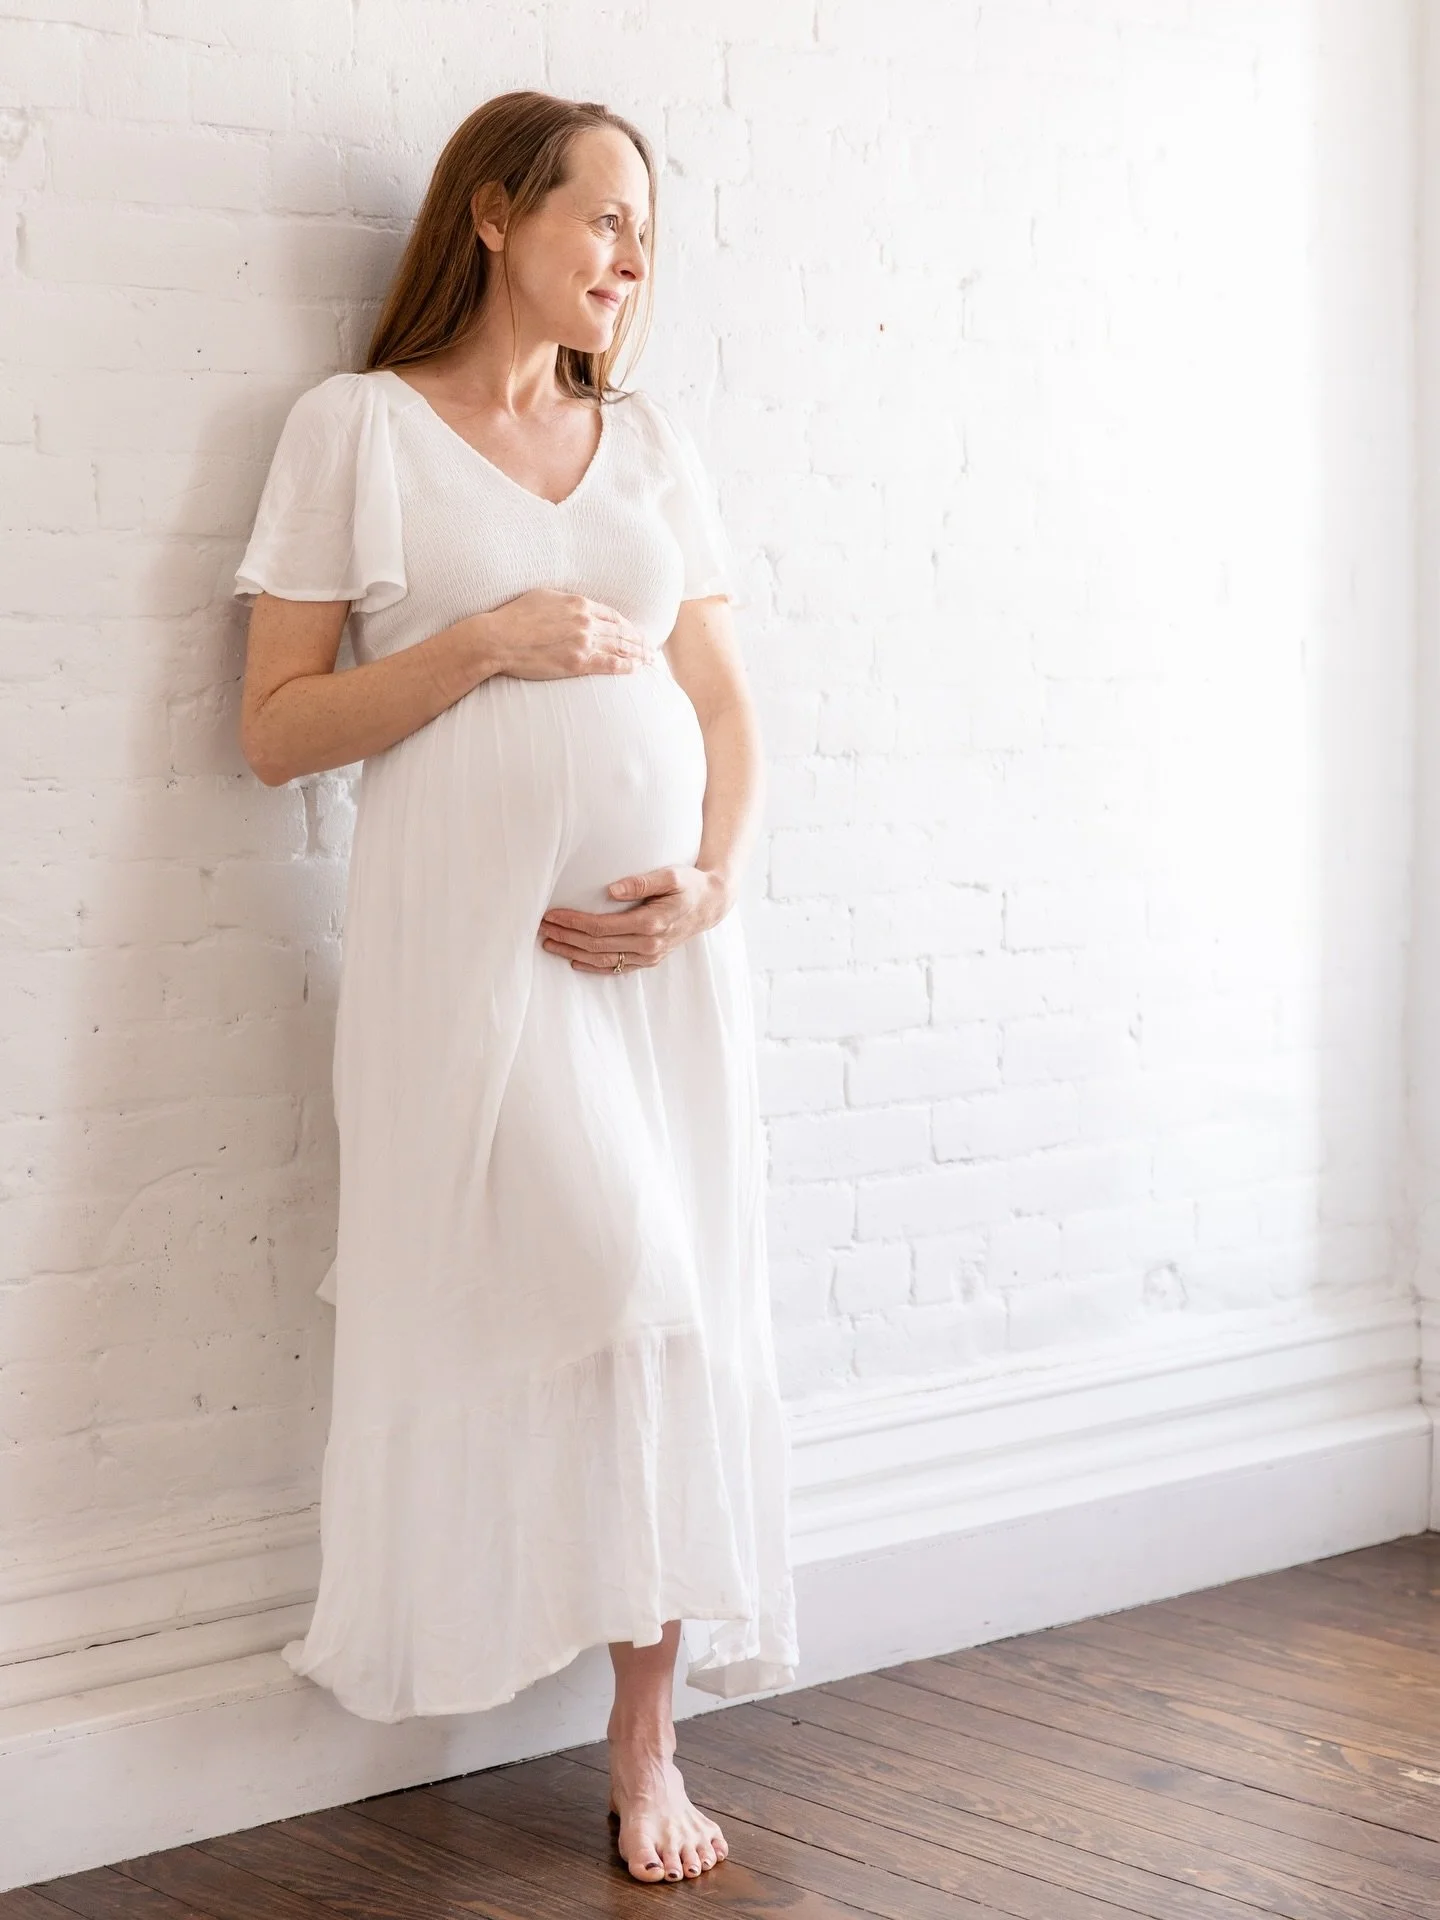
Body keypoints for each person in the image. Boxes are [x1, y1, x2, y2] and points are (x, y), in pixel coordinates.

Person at [232, 90, 800, 1886]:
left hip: (653, 960)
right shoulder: (359, 433)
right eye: (604, 219)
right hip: (473, 960)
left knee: (675, 1297)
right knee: (618, 1265)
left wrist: (709, 886)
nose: (633, 260)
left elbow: (725, 713)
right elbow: (273, 732)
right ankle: (583, 1681)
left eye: (650, 236)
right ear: (494, 215)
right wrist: (481, 643)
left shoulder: (646, 446)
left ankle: (649, 1736)